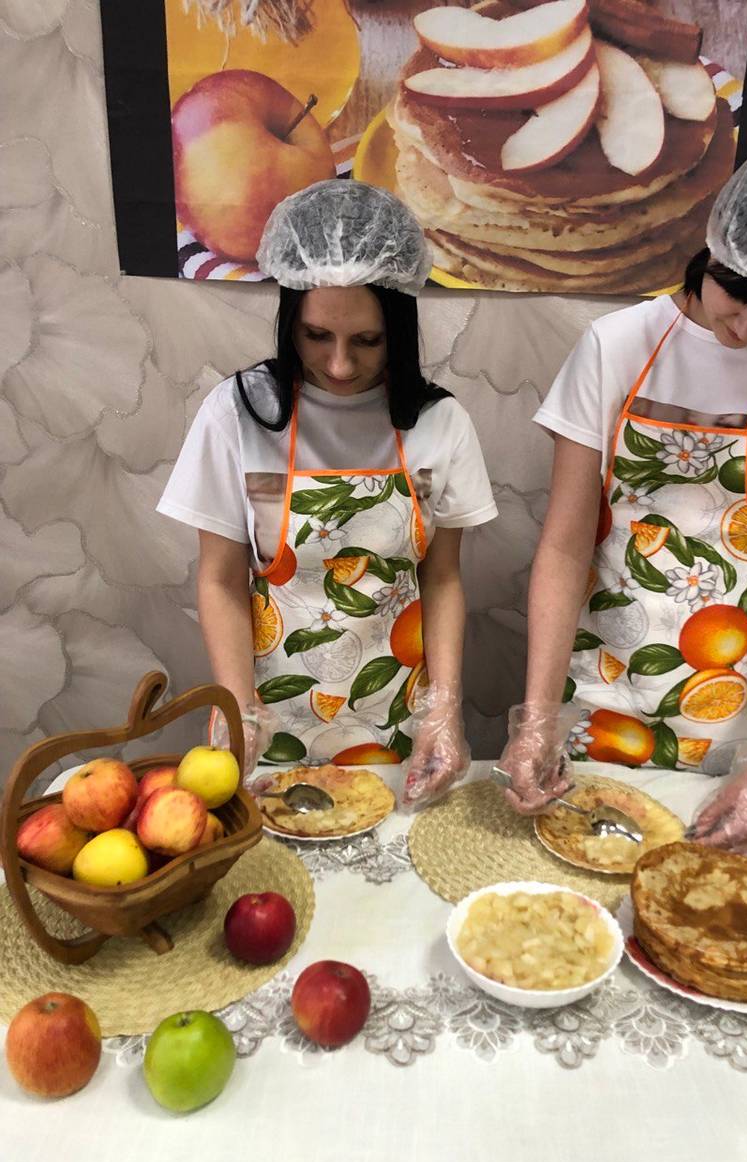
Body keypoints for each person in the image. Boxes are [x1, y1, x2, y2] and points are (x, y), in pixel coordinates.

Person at [498, 129, 747, 853]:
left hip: (727, 709)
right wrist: (537, 717)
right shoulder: (617, 346)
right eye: (734, 293)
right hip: (594, 688)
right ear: (714, 247)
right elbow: (564, 546)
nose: (743, 325)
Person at [158, 180, 497, 808]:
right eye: (317, 336)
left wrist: (444, 708)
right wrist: (238, 707)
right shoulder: (239, 414)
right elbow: (221, 579)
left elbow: (442, 578)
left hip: (394, 723)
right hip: (269, 720)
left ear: (399, 327)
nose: (339, 365)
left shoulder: (439, 422)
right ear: (289, 320)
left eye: (367, 341)